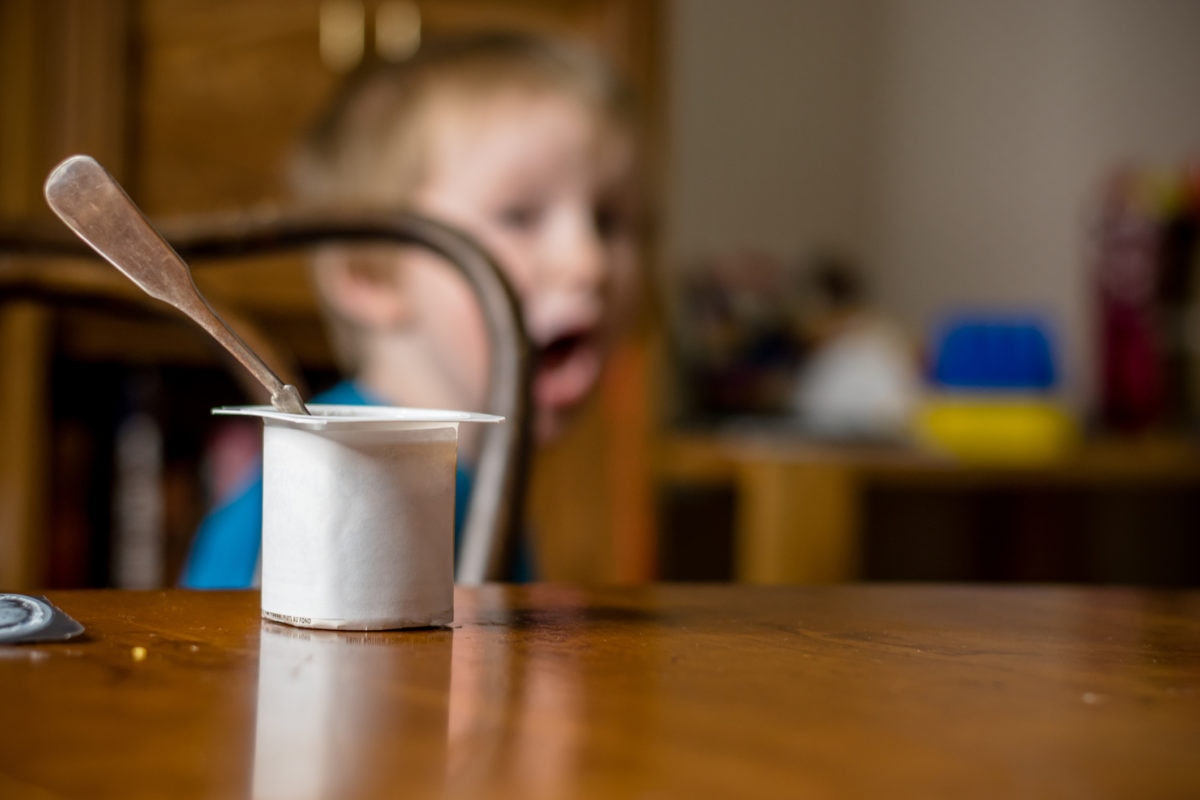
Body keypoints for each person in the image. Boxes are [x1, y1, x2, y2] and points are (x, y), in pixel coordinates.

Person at [181, 32, 642, 587]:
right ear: (369, 272)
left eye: (610, 221)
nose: (589, 262)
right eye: (520, 216)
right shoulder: (342, 477)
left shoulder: (478, 483)